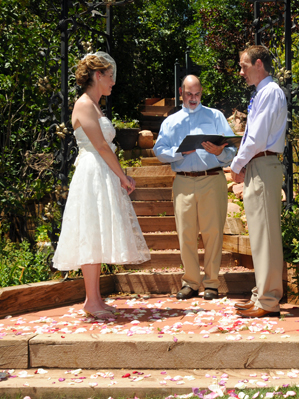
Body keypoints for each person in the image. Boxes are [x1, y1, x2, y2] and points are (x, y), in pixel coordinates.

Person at [52, 52, 151, 319]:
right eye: (110, 77)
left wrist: (117, 175)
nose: (113, 83)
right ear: (98, 76)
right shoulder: (84, 104)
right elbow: (101, 146)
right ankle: (91, 301)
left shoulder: (95, 106)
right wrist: (123, 176)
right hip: (92, 173)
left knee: (96, 233)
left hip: (101, 172)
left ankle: (94, 299)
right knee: (90, 233)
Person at [154, 75, 237, 301]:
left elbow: (232, 149)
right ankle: (190, 282)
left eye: (197, 94)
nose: (193, 98)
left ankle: (211, 283)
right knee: (186, 235)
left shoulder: (215, 116)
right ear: (181, 93)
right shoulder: (171, 121)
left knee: (212, 234)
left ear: (202, 93)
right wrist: (180, 152)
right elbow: (158, 150)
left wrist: (221, 152)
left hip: (212, 178)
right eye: (189, 94)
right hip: (183, 180)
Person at [230, 45, 287, 318]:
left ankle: (268, 300)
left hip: (263, 163)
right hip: (259, 163)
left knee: (266, 235)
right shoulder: (263, 93)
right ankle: (262, 293)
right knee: (260, 234)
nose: (241, 72)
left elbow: (257, 137)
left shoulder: (271, 92)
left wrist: (237, 164)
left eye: (244, 65)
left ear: (259, 64)